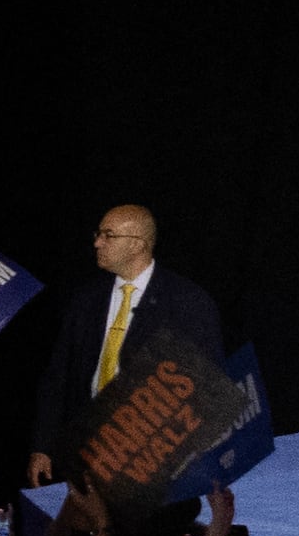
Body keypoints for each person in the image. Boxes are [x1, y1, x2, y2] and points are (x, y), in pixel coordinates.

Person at [22, 200, 224, 490]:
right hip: (84, 453)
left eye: (108, 235)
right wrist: (42, 446)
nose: (97, 243)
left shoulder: (187, 303)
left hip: (149, 465)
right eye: (98, 234)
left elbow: (205, 388)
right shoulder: (85, 300)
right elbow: (57, 377)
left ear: (137, 245)